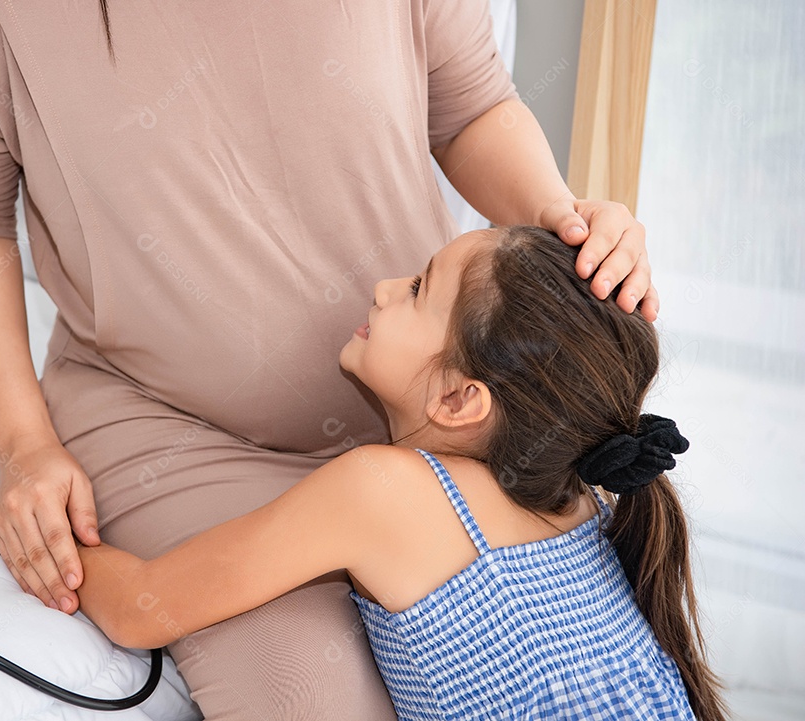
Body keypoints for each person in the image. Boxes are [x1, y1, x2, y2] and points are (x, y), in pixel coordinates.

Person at [0, 1, 661, 717]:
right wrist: (23, 447)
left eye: (419, 287)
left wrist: (560, 224)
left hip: (427, 430)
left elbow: (470, 107)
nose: (385, 287)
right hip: (173, 427)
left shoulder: (442, 452)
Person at [73, 225, 728, 721]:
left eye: (418, 289)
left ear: (459, 400)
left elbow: (140, 609)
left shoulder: (383, 491)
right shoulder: (582, 498)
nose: (384, 288)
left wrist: (41, 530)